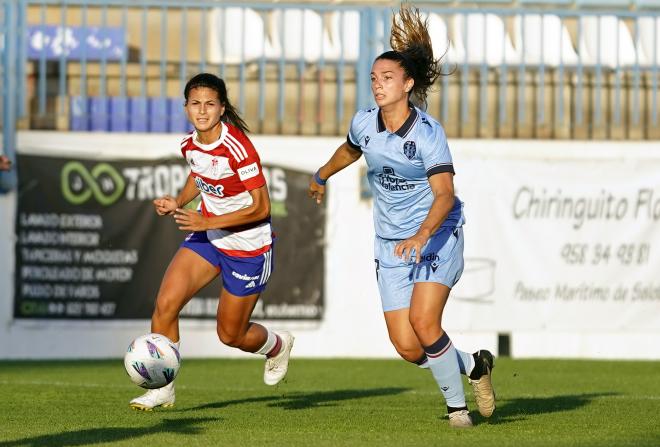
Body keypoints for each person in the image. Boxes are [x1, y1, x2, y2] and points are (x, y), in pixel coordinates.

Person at [308, 5, 495, 428]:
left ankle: (457, 410)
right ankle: (474, 366)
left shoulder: (427, 133)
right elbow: (352, 149)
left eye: (387, 78)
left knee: (424, 322)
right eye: (373, 78)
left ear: (408, 84)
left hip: (437, 236)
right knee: (410, 347)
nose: (377, 85)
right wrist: (322, 174)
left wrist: (423, 233)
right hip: (391, 244)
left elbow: (445, 195)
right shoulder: (365, 123)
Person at [130, 72, 294, 411]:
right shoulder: (190, 144)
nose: (202, 111)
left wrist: (206, 219)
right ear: (186, 107)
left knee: (231, 335)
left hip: (248, 247)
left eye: (210, 104)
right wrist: (178, 201)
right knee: (166, 305)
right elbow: (198, 172)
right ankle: (163, 388)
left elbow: (261, 207)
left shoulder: (239, 147)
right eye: (195, 104)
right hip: (210, 236)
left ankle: (277, 345)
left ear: (222, 108)